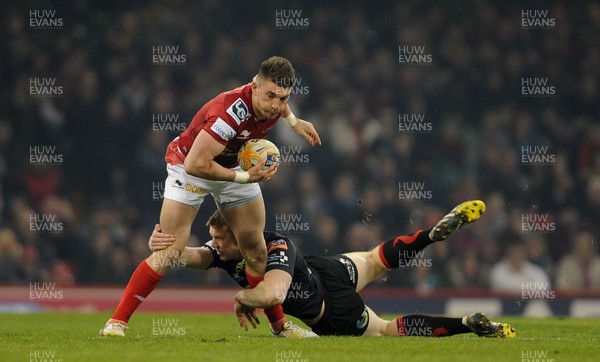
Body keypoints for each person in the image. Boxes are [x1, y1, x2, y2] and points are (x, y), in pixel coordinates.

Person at [100, 56, 321, 338]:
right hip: (190, 166)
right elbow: (196, 164)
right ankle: (116, 323)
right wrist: (244, 177)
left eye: (283, 98)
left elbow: (278, 98)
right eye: (270, 96)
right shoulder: (230, 114)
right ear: (254, 87)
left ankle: (280, 327)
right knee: (168, 251)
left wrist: (293, 121)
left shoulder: (273, 100)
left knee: (255, 248)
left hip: (230, 165)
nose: (276, 104)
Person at [150, 200, 517, 338]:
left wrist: (242, 296)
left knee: (388, 332)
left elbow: (271, 294)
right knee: (376, 259)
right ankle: (428, 237)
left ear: (239, 235)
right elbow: (196, 257)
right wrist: (169, 248)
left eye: (219, 238)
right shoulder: (231, 250)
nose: (214, 244)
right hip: (323, 269)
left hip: (333, 310)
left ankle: (466, 326)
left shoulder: (274, 248)